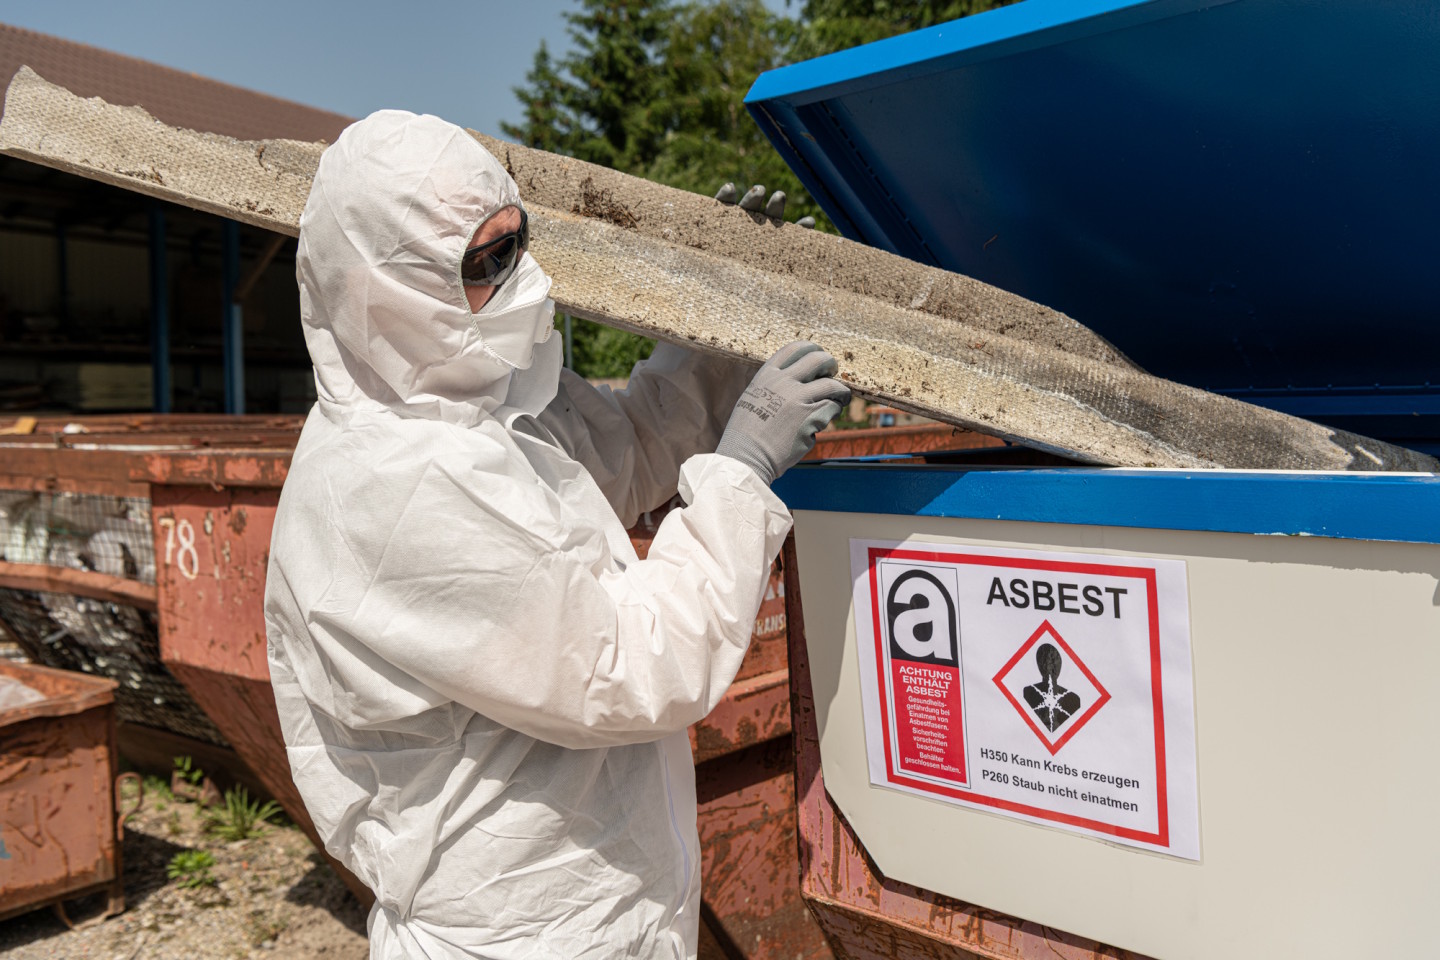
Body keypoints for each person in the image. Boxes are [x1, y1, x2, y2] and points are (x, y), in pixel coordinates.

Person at [264, 109, 849, 960]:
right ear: (382, 292)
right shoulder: (392, 490)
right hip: (523, 931)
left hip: (599, 903)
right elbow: (631, 667)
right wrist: (741, 471)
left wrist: (721, 347)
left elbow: (625, 455)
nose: (518, 279)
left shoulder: (470, 400)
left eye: (517, 244)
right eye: (482, 263)